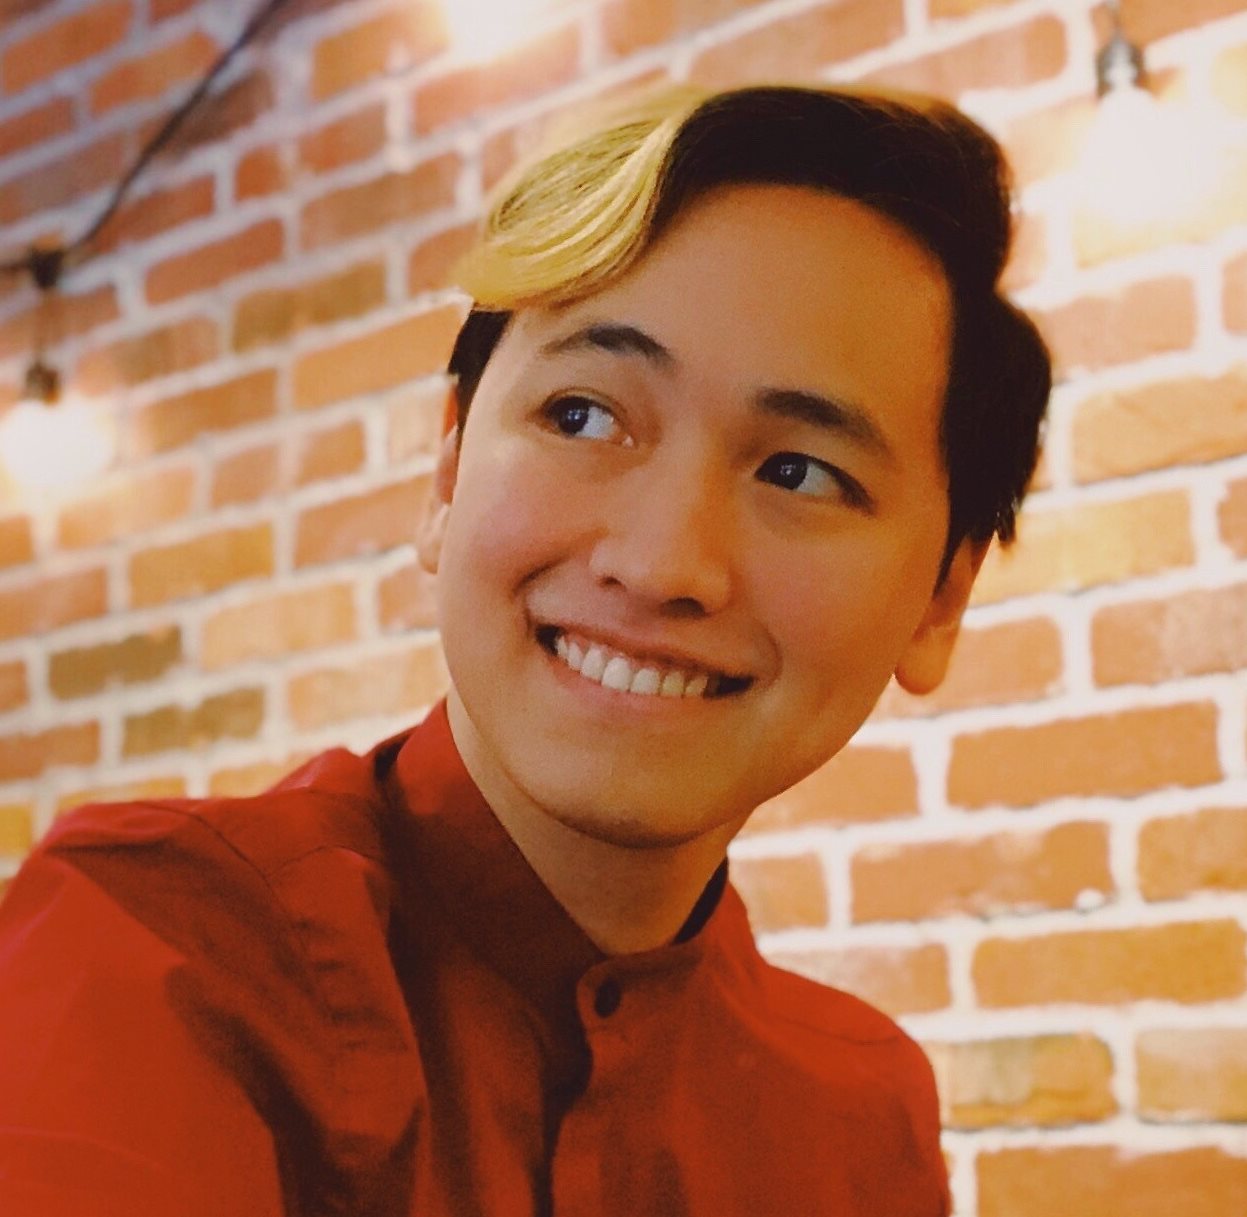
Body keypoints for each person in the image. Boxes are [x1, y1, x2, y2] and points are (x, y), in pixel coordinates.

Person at [0, 84, 1049, 1216]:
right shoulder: (155, 949)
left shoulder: (858, 1114)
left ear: (940, 599)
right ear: (447, 471)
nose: (660, 562)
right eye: (582, 415)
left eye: (798, 473)